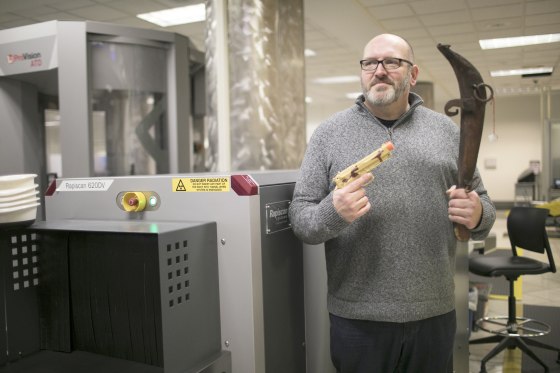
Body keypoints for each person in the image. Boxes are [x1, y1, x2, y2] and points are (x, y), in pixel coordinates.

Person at [289, 33, 496, 372]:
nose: (379, 70)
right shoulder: (328, 134)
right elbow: (301, 219)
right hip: (358, 318)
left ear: (412, 74)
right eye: (370, 63)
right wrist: (333, 212)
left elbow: (482, 205)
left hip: (434, 314)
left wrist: (477, 214)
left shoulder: (446, 132)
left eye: (391, 62)